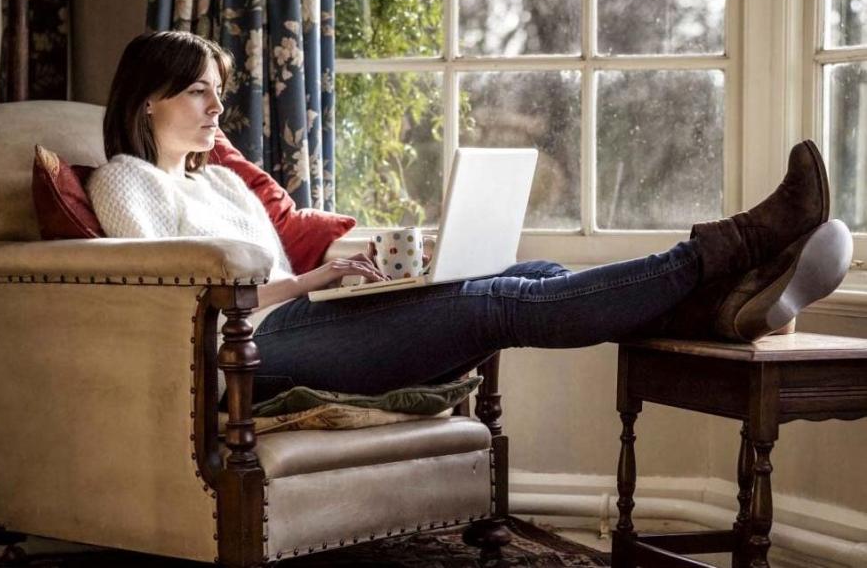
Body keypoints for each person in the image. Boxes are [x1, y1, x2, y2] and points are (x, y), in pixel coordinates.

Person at [88, 31, 852, 400]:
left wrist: (342, 280)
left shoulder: (223, 184)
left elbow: (277, 276)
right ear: (148, 98)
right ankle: (738, 247)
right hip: (251, 357)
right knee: (495, 303)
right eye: (198, 90)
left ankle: (719, 307)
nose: (217, 106)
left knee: (530, 272)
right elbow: (187, 303)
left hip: (305, 317)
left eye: (219, 89)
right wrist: (314, 277)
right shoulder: (124, 183)